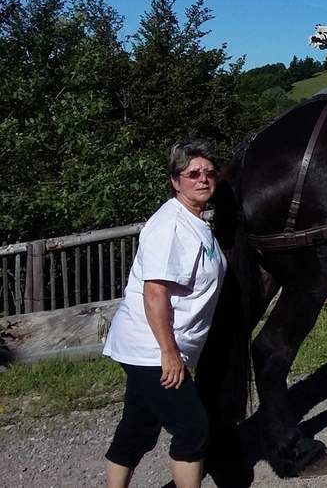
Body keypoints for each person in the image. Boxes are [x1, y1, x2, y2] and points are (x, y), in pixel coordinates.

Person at [102, 140, 227, 488]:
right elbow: (154, 292)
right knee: (193, 429)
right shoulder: (169, 226)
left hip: (157, 347)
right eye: (192, 174)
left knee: (137, 427)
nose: (202, 179)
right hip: (152, 348)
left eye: (208, 173)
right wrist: (169, 353)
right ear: (175, 181)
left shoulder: (195, 221)